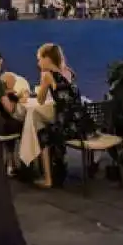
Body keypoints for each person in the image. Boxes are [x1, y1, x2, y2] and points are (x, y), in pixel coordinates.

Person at [35, 43, 82, 188]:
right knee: (53, 128)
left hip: (67, 126)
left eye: (39, 59)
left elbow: (40, 100)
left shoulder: (48, 75)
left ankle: (48, 179)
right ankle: (59, 167)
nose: (38, 63)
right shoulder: (69, 72)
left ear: (47, 59)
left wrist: (43, 81)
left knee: (42, 134)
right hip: (81, 123)